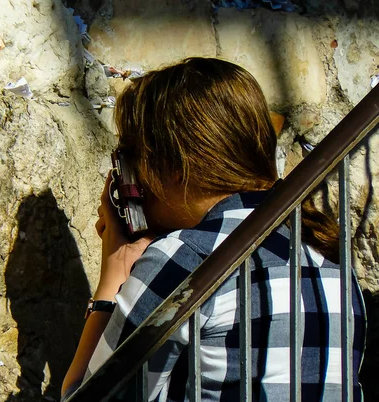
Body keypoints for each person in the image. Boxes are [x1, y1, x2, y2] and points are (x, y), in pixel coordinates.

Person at [61, 58, 366, 401]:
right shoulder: (332, 267)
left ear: (174, 164)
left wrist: (113, 277)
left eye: (131, 158)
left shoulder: (184, 259)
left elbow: (83, 395)